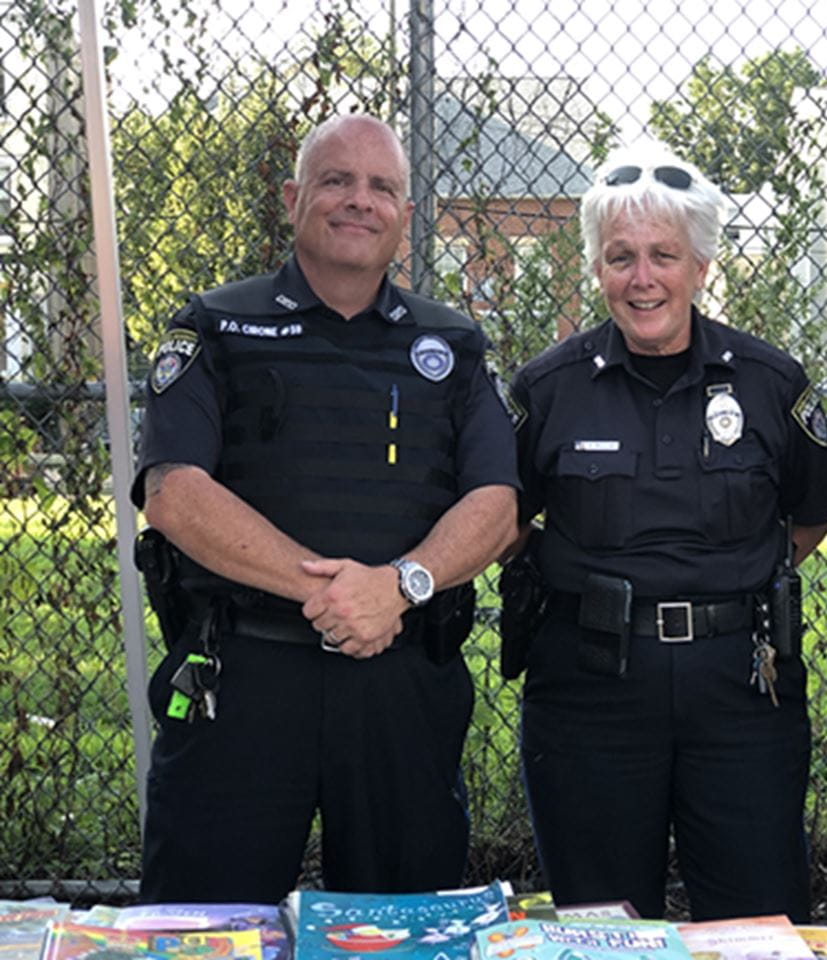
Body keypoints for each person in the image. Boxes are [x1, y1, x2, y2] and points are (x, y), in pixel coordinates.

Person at [131, 113, 518, 903]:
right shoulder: (214, 326)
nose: (358, 200)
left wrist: (400, 586)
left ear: (407, 218)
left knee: (402, 931)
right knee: (207, 927)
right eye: (336, 180)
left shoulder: (455, 345)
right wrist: (333, 595)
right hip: (240, 678)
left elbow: (498, 506)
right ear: (292, 197)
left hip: (400, 678)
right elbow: (173, 492)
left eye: (382, 187)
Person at [504, 143, 827, 922]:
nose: (642, 277)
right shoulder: (548, 389)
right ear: (596, 270)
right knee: (600, 923)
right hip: (590, 688)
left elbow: (812, 516)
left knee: (757, 921)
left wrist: (714, 592)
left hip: (738, 690)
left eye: (664, 255)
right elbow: (500, 521)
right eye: (620, 257)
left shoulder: (770, 384)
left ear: (701, 266)